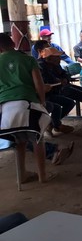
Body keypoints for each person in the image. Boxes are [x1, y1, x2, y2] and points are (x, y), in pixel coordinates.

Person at [0, 33, 54, 183]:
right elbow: (39, 84)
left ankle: (22, 175)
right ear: (12, 43)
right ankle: (42, 176)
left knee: (19, 141)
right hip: (27, 104)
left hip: (4, 110)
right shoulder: (28, 59)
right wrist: (42, 102)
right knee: (37, 139)